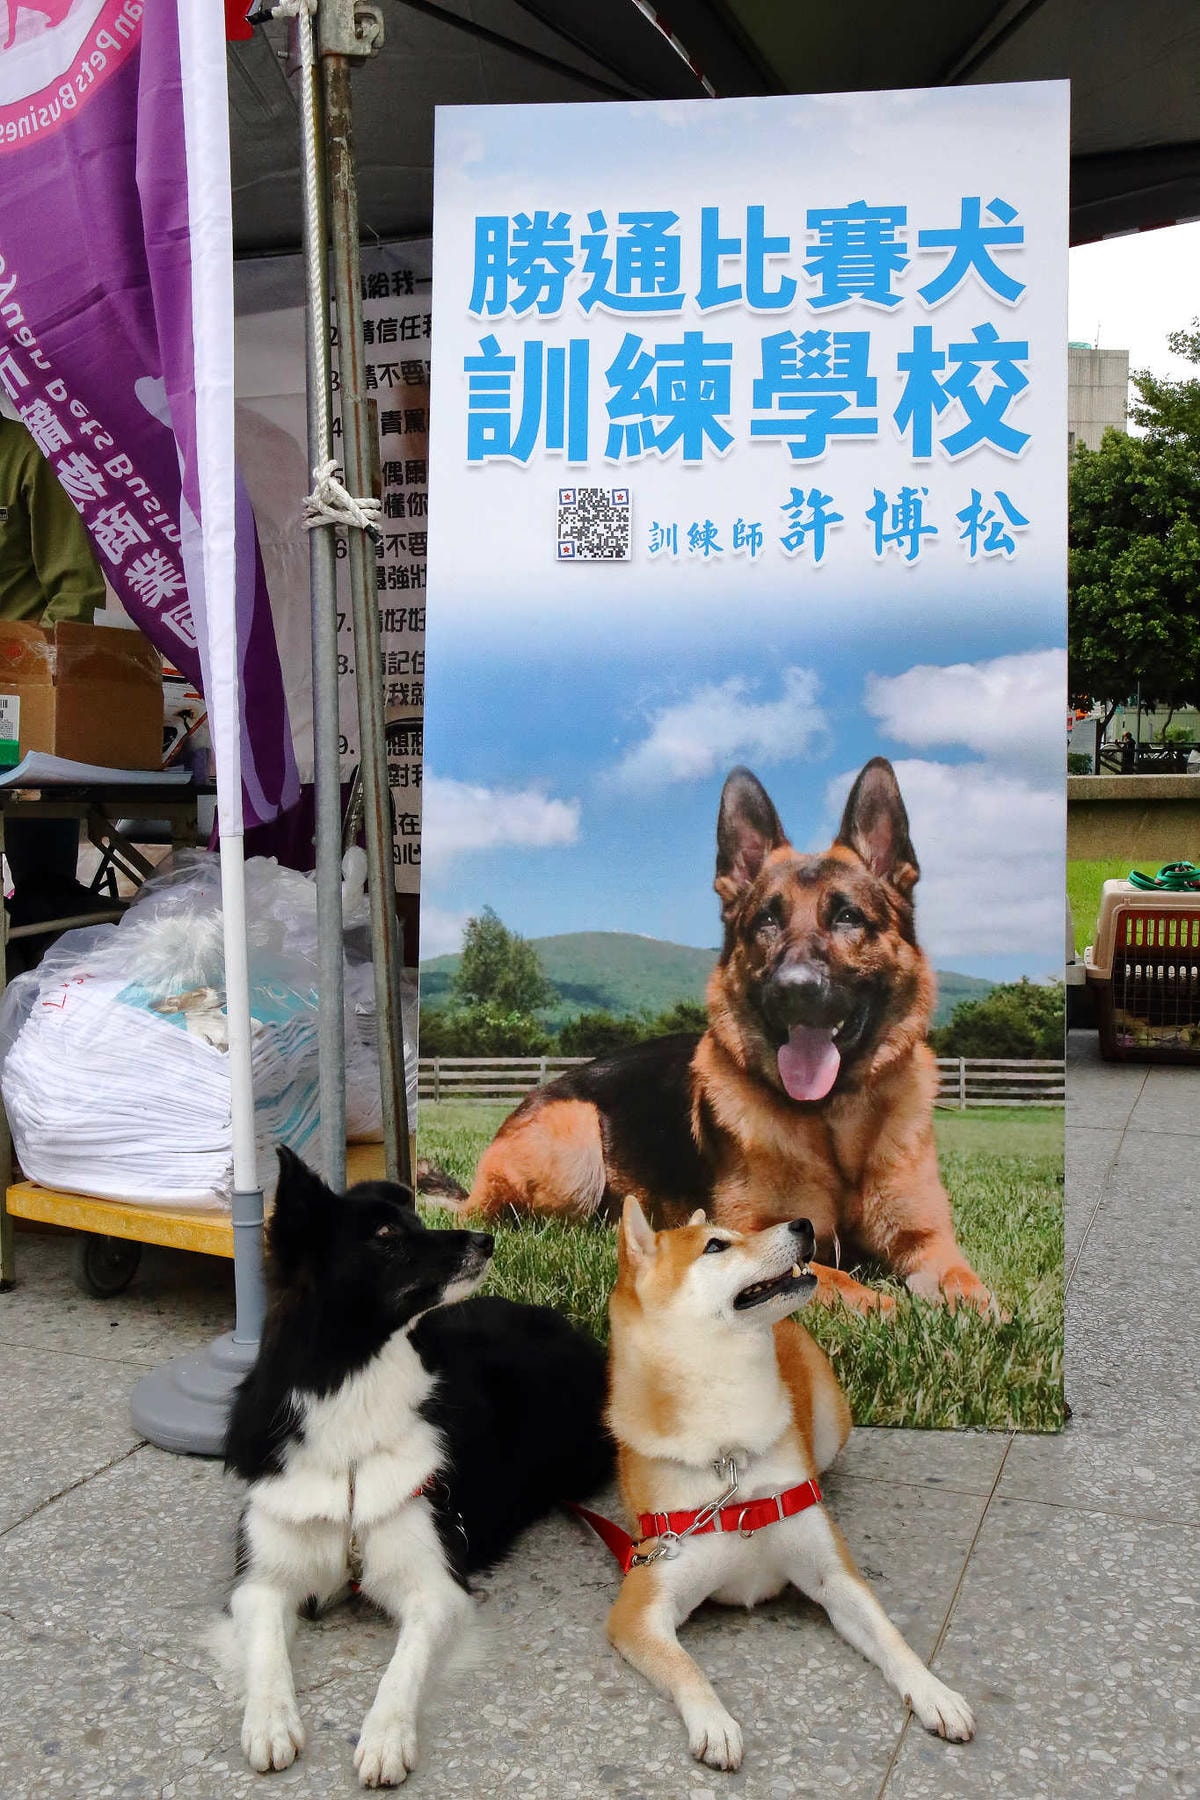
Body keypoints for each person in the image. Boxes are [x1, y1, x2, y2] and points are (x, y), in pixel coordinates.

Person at [1, 414, 107, 912]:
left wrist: (34, 679)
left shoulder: (27, 454)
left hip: (20, 697)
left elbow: (74, 589)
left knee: (43, 892)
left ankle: (43, 961)